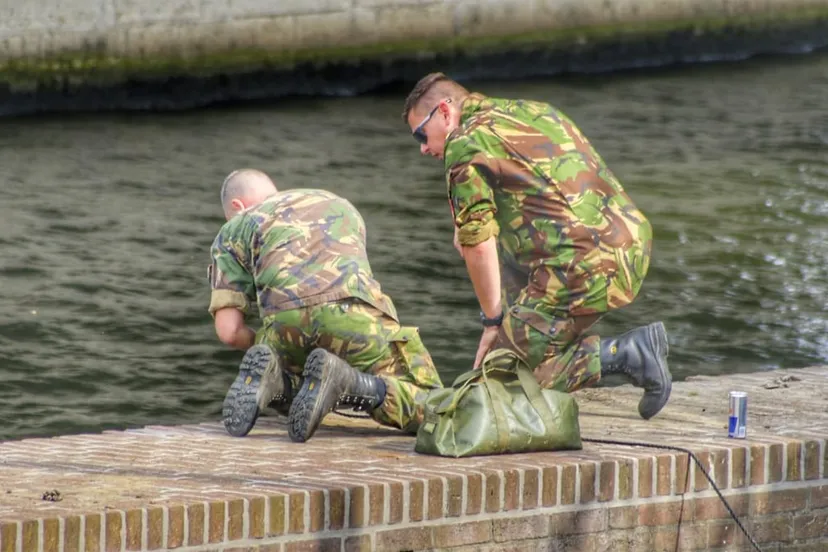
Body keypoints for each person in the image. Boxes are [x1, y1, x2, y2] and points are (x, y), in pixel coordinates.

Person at [401, 73, 671, 420]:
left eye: (421, 134)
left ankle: (626, 354)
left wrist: (493, 321)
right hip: (629, 248)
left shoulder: (465, 142)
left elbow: (478, 242)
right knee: (520, 354)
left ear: (444, 112)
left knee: (491, 392)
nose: (423, 148)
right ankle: (616, 352)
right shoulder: (533, 110)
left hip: (578, 267)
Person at [207, 169, 442, 442]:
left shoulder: (232, 230)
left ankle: (279, 382)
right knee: (433, 404)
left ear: (237, 207)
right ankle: (354, 384)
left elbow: (229, 331)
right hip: (352, 316)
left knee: (299, 376)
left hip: (284, 327)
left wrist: (264, 342)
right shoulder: (339, 204)